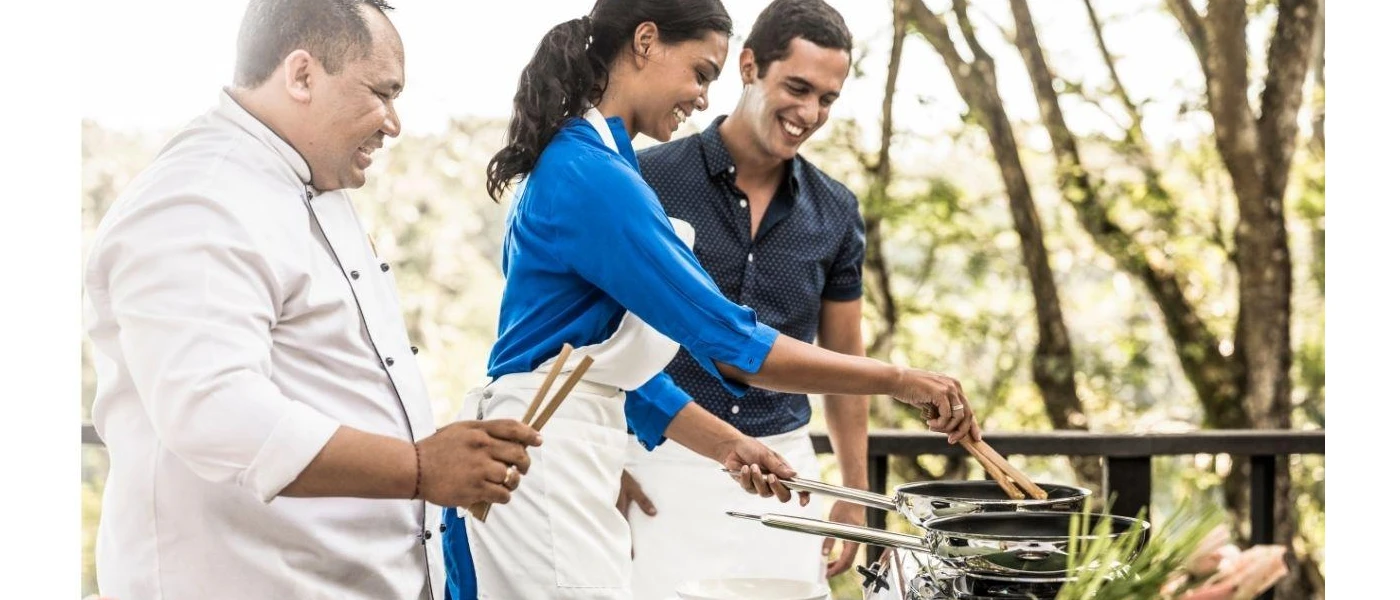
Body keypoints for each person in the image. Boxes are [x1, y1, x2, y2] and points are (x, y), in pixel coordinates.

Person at [439, 1, 982, 598]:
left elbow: (610, 370)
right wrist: (900, 380)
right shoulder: (593, 176)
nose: (702, 98)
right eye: (700, 72)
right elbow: (732, 344)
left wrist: (729, 445)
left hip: (565, 446)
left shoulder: (598, 164)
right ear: (646, 42)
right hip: (544, 452)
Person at [83, 2, 541, 599]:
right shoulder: (202, 197)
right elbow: (213, 410)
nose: (394, 123)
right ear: (301, 75)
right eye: (382, 92)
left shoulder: (297, 183)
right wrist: (421, 467)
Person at [619, 2, 871, 597]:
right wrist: (603, 463)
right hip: (655, 465)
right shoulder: (644, 180)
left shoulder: (837, 211)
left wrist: (854, 496)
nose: (810, 113)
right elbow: (588, 336)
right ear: (751, 66)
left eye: (828, 99)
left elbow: (846, 364)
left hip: (786, 475)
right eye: (798, 87)